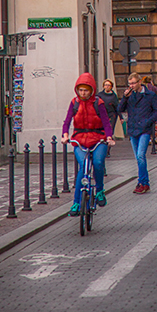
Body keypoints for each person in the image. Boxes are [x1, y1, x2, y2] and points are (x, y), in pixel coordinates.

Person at [61, 73, 114, 216]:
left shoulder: (98, 103)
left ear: (91, 90)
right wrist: (65, 135)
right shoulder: (75, 103)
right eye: (80, 90)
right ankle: (76, 203)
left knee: (97, 162)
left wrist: (109, 137)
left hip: (98, 138)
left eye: (86, 90)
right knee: (83, 167)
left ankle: (100, 191)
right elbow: (67, 121)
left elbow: (106, 122)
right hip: (80, 139)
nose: (83, 93)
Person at [118, 71, 157, 194]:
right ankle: (145, 183)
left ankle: (141, 182)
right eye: (129, 84)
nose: (131, 86)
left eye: (133, 83)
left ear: (139, 82)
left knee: (141, 155)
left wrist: (148, 121)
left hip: (144, 129)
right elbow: (119, 109)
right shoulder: (130, 96)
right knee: (138, 158)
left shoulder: (150, 95)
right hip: (132, 129)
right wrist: (124, 98)